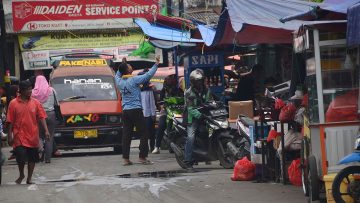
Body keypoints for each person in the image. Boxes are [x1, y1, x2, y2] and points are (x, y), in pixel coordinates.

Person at [115, 56, 160, 166]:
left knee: (126, 135)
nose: (131, 66)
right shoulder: (134, 80)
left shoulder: (119, 81)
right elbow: (148, 75)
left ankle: (126, 159)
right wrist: (156, 64)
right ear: (128, 70)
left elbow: (118, 73)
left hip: (125, 111)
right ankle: (142, 157)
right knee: (144, 133)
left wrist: (123, 63)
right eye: (129, 66)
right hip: (136, 110)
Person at [7, 80, 50, 184]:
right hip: (19, 136)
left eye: (31, 89)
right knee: (20, 157)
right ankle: (21, 174)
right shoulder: (13, 104)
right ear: (21, 91)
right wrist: (10, 136)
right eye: (27, 89)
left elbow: (42, 117)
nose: (30, 91)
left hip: (32, 135)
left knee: (32, 158)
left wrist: (46, 131)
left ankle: (29, 178)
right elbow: (10, 121)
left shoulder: (35, 103)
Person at [184, 69, 213, 169]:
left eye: (201, 80)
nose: (200, 83)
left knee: (212, 132)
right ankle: (187, 161)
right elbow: (191, 109)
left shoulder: (206, 90)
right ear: (193, 82)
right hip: (192, 119)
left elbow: (210, 101)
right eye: (198, 81)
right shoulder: (189, 93)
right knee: (191, 137)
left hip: (205, 116)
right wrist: (200, 116)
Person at [152, 74, 183, 154]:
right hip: (166, 111)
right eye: (168, 79)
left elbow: (182, 99)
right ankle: (157, 146)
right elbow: (160, 102)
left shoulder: (178, 90)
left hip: (177, 111)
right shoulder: (163, 90)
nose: (169, 81)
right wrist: (162, 106)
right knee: (161, 125)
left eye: (171, 79)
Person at [31, 75, 57, 163]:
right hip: (51, 114)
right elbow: (57, 104)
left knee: (38, 135)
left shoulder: (33, 92)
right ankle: (48, 159)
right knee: (49, 136)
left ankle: (41, 149)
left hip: (38, 116)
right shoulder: (51, 90)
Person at [138, 69, 157, 152]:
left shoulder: (147, 90)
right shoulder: (144, 90)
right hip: (144, 114)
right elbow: (152, 103)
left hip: (146, 114)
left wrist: (153, 114)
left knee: (148, 132)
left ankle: (150, 146)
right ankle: (145, 146)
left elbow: (152, 103)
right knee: (146, 132)